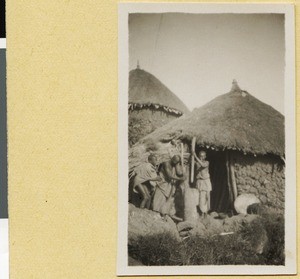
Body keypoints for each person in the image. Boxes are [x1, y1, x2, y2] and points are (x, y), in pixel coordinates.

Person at [193, 150, 212, 218]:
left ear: (205, 156)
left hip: (205, 182)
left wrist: (195, 156)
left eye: (203, 156)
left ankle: (205, 213)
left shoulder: (207, 162)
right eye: (200, 156)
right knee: (199, 198)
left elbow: (203, 165)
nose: (202, 157)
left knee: (205, 198)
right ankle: (201, 212)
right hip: (199, 182)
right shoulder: (196, 163)